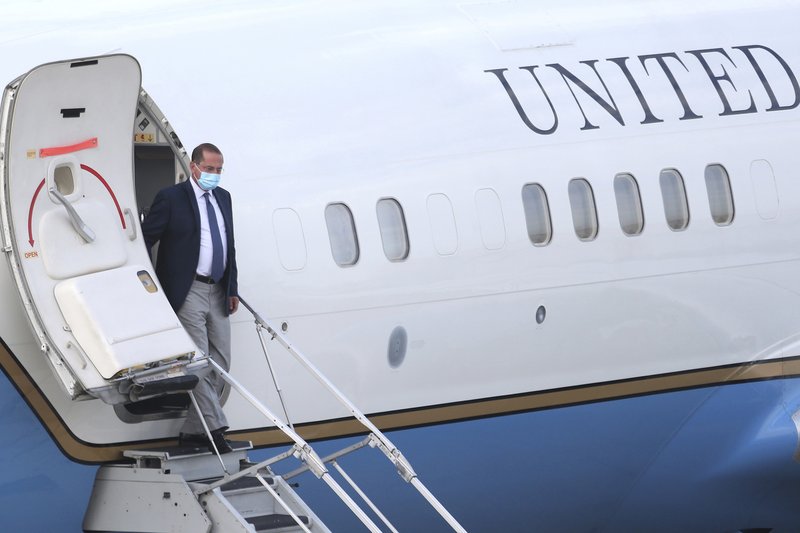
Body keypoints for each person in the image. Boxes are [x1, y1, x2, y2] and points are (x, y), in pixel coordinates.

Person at [142, 142, 239, 453]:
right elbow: (146, 238)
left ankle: (193, 432)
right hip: (188, 289)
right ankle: (216, 429)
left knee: (221, 362)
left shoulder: (224, 198)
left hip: (218, 289)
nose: (214, 175)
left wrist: (232, 287)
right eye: (209, 169)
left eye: (218, 170)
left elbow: (229, 245)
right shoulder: (171, 198)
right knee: (198, 360)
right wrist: (149, 284)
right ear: (193, 167)